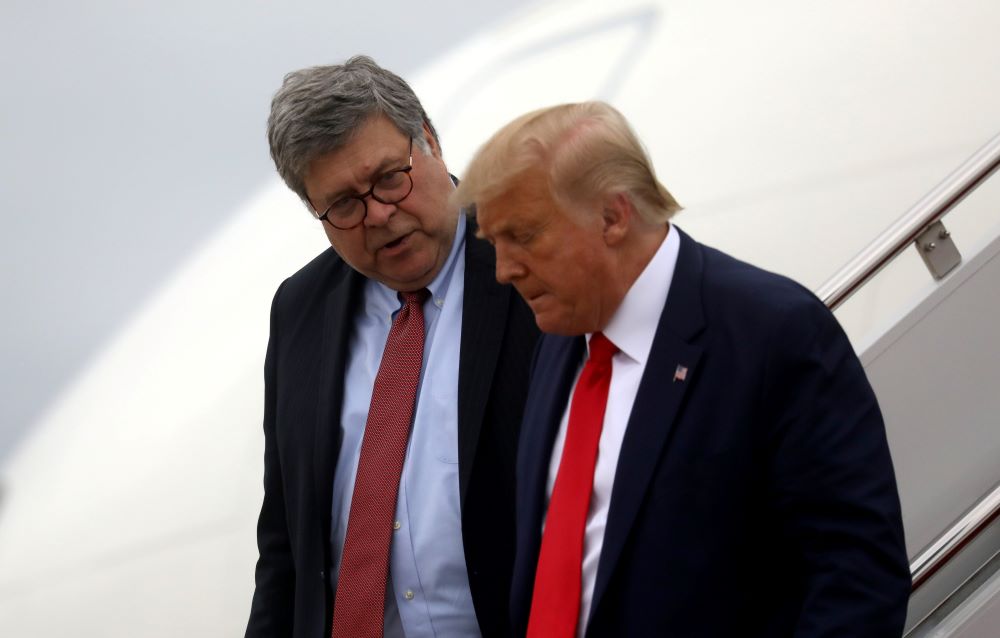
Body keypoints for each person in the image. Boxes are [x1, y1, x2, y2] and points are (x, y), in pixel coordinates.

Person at [453, 101, 911, 637]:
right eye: (494, 244)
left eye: (524, 236)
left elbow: (858, 580)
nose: (504, 271)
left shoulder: (771, 333)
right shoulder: (557, 347)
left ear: (612, 216)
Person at [245, 56, 538, 638]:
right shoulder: (299, 310)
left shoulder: (531, 259)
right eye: (345, 205)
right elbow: (286, 547)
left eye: (389, 178)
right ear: (314, 210)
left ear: (428, 141)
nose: (379, 213)